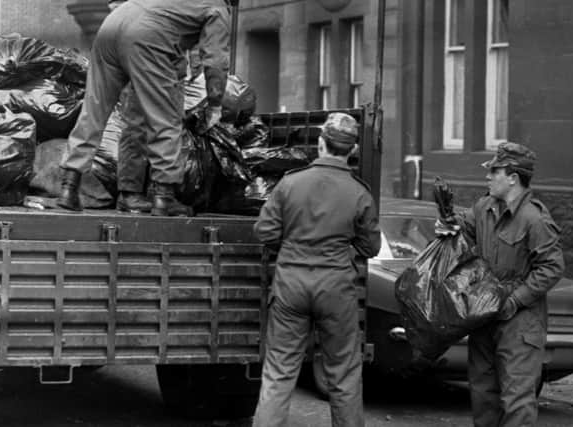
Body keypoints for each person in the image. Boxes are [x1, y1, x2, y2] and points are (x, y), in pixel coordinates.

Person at [251, 113, 381, 427]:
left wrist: (293, 246)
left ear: (320, 143)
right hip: (336, 287)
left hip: (291, 284)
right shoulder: (359, 193)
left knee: (279, 373)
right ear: (350, 151)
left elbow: (264, 231)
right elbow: (371, 247)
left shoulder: (290, 183)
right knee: (344, 375)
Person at [58, 0, 230, 215]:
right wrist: (215, 103)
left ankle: (70, 187)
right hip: (147, 36)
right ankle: (164, 198)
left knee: (94, 110)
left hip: (112, 23)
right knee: (165, 118)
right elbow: (215, 60)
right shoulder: (218, 7)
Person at [437, 142, 565, 427]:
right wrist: (447, 223)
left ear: (513, 178)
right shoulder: (484, 208)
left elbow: (552, 267)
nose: (487, 176)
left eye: (494, 171)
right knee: (484, 399)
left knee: (516, 401)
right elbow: (464, 234)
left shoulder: (535, 218)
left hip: (520, 322)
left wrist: (515, 300)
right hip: (484, 315)